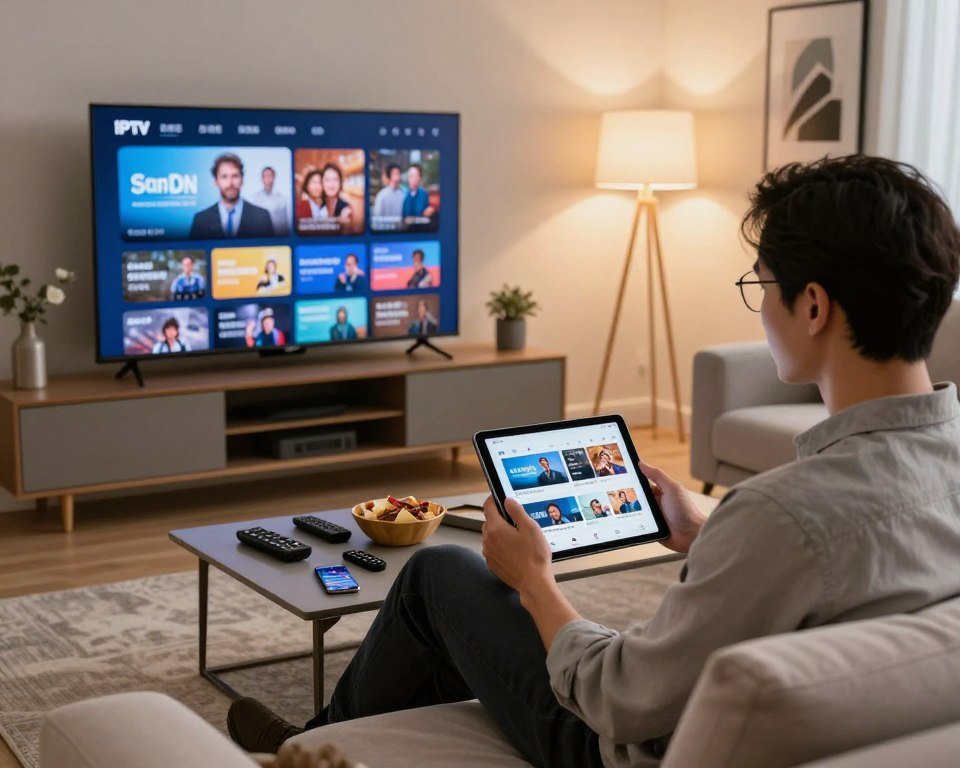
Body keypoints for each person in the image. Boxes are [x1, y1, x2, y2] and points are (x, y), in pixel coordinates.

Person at [227, 156, 960, 768]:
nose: (758, 306)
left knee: (439, 575)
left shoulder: (780, 513)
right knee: (471, 623)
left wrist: (538, 583)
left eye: (760, 285)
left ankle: (305, 750)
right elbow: (853, 582)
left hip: (616, 747)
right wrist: (707, 535)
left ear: (812, 307)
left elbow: (617, 696)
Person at [189, 153, 274, 239]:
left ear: (242, 180)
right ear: (216, 181)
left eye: (235, 176)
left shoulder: (262, 217)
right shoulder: (200, 220)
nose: (230, 183)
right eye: (224, 177)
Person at [296, 164, 353, 233]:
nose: (331, 184)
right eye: (327, 180)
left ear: (340, 182)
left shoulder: (345, 208)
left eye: (336, 179)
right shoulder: (318, 203)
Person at [250, 166, 290, 236]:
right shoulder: (255, 199)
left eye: (270, 175)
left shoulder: (282, 199)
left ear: (274, 178)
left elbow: (285, 224)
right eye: (266, 176)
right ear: (262, 179)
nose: (268, 178)